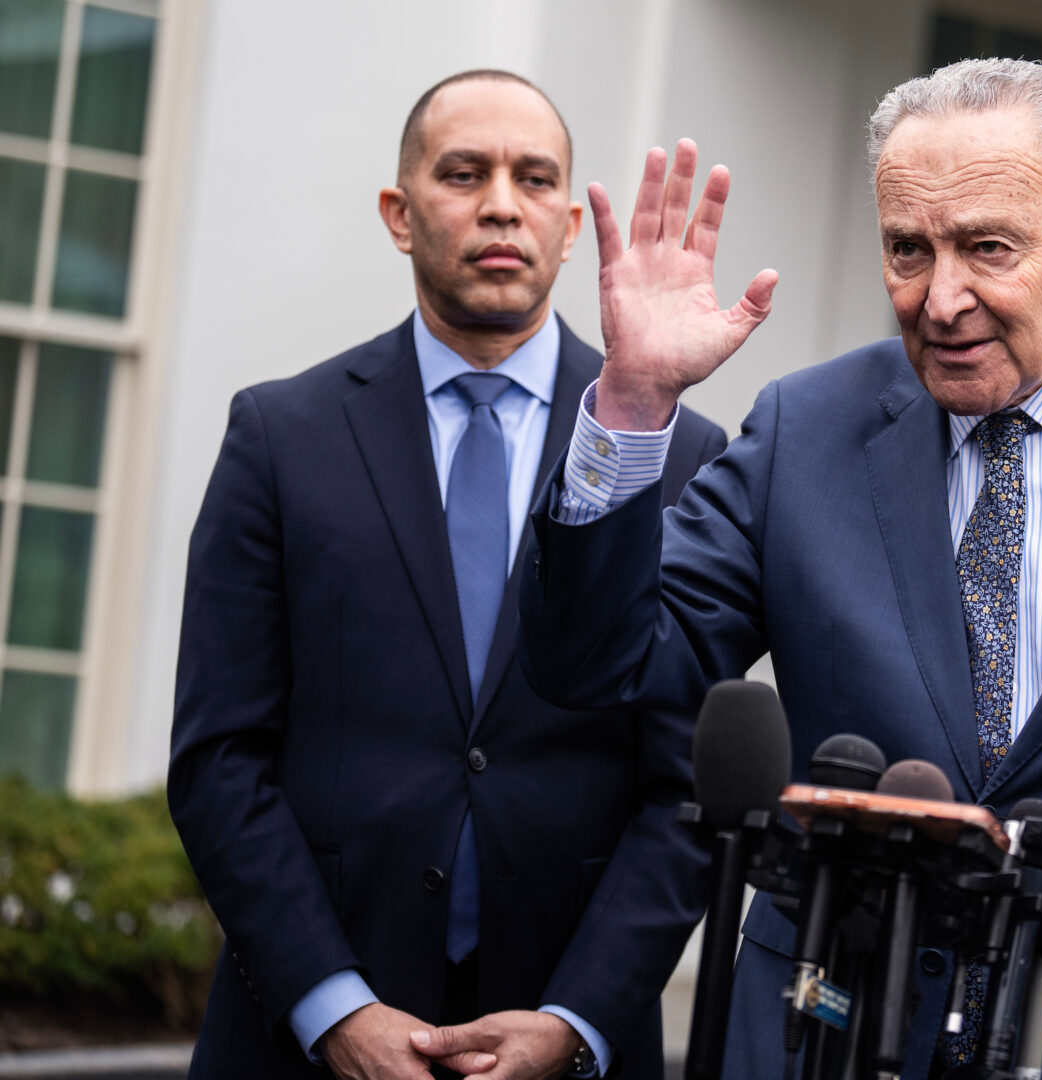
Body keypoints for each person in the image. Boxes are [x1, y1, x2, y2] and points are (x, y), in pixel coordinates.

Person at [427, 58, 1042, 1079]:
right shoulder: (807, 430)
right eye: (908, 249)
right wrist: (630, 407)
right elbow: (597, 667)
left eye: (988, 248)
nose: (941, 299)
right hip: (826, 1034)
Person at [168, 70, 725, 1080]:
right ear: (399, 212)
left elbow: (685, 793)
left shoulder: (682, 456)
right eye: (463, 173)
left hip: (567, 1030)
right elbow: (219, 763)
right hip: (300, 1038)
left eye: (534, 178)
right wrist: (333, 1010)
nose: (500, 202)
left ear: (566, 223)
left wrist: (578, 1020)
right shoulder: (280, 437)